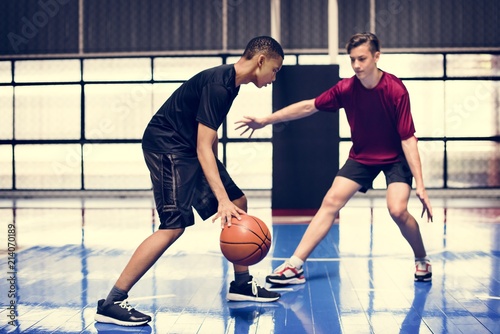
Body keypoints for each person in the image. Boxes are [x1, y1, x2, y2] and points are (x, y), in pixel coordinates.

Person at [94, 36, 285, 327]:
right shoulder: (220, 85)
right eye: (275, 69)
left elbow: (208, 136)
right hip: (166, 147)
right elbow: (201, 146)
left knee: (238, 202)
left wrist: (220, 181)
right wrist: (219, 198)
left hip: (187, 148)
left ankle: (242, 285)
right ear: (261, 61)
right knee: (173, 226)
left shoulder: (231, 83)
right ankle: (112, 301)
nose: (274, 77)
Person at [235, 32, 433, 286]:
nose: (357, 65)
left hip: (395, 157)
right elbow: (308, 106)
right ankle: (295, 265)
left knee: (397, 209)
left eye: (362, 59)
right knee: (330, 202)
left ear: (376, 56)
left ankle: (421, 259)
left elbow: (408, 138)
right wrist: (265, 120)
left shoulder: (395, 90)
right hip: (362, 156)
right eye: (352, 60)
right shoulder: (347, 88)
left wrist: (421, 185)